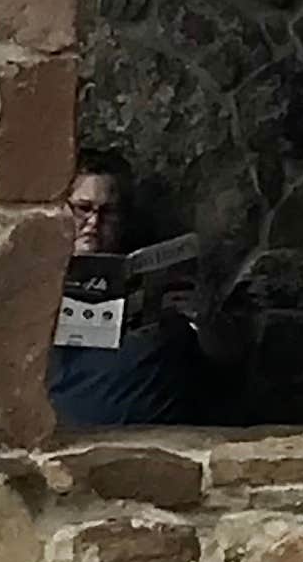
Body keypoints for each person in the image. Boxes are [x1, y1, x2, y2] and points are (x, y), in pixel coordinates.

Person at [46, 159, 239, 435]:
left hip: (154, 437)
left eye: (109, 212)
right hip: (65, 434)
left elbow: (228, 360)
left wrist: (205, 319)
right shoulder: (33, 279)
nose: (94, 223)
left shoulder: (158, 273)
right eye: (83, 209)